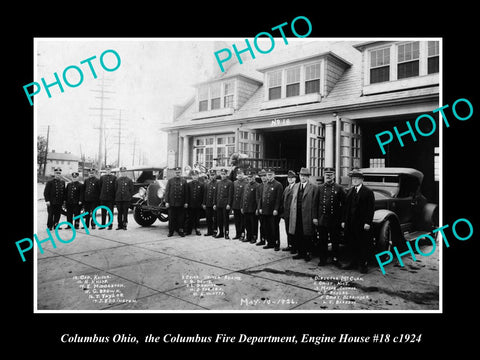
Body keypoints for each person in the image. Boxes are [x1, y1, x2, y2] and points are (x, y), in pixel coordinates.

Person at [341, 168, 375, 273]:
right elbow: (346, 208)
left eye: (357, 178)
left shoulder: (368, 192)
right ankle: (352, 262)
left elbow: (370, 209)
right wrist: (343, 221)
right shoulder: (350, 191)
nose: (354, 180)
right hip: (350, 223)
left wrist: (368, 222)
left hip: (362, 224)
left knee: (362, 244)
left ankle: (363, 265)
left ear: (362, 180)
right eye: (353, 178)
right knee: (351, 243)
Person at [313, 167, 346, 267]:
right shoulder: (320, 187)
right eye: (326, 175)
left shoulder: (339, 188)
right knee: (322, 240)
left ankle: (335, 259)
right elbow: (315, 204)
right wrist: (315, 217)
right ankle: (323, 259)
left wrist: (343, 220)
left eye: (330, 174)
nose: (328, 176)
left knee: (335, 240)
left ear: (334, 176)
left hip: (334, 219)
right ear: (324, 175)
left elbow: (344, 205)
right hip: (322, 219)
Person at [289, 167, 317, 261]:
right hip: (297, 214)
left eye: (305, 176)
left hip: (307, 215)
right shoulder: (296, 186)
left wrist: (314, 217)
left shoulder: (313, 187)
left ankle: (307, 253)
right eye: (301, 175)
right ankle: (300, 253)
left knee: (307, 235)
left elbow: (315, 203)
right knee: (298, 233)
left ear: (308, 177)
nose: (303, 177)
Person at [258, 168, 283, 251]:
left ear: (274, 175)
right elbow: (262, 197)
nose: (269, 176)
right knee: (267, 227)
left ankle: (276, 244)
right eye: (268, 174)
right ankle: (270, 243)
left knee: (274, 228)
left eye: (271, 174)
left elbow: (278, 199)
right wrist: (261, 207)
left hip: (273, 211)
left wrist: (276, 209)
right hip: (265, 210)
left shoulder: (278, 185)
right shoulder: (265, 184)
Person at [164, 167, 187, 237]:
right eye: (176, 172)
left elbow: (186, 193)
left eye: (179, 172)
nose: (177, 174)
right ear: (174, 173)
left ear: (181, 173)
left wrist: (186, 202)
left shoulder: (184, 181)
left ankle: (180, 231)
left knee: (181, 219)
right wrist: (167, 202)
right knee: (171, 219)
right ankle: (171, 232)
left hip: (181, 203)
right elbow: (167, 192)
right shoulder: (170, 181)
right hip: (172, 203)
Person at [213, 168, 233, 239]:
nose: (223, 175)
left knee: (226, 220)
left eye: (224, 174)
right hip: (219, 204)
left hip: (225, 204)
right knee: (219, 219)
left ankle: (226, 234)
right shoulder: (218, 183)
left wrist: (229, 204)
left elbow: (230, 195)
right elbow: (216, 194)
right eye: (222, 174)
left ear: (226, 174)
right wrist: (214, 204)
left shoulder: (229, 182)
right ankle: (221, 233)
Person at [241, 170, 259, 243]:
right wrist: (242, 207)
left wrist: (257, 209)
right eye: (248, 177)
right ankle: (248, 237)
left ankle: (254, 237)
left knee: (254, 225)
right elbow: (243, 197)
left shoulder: (257, 185)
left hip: (253, 209)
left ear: (254, 177)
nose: (250, 178)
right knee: (247, 224)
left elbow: (258, 199)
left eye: (251, 177)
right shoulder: (246, 185)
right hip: (246, 208)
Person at [185, 169, 204, 236]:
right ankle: (188, 231)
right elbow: (187, 194)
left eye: (196, 175)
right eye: (193, 176)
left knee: (197, 218)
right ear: (191, 176)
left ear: (198, 176)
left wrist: (202, 203)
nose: (195, 177)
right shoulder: (189, 184)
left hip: (198, 205)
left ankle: (197, 230)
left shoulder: (201, 185)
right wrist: (186, 203)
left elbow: (202, 195)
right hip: (190, 204)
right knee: (190, 218)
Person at [282, 170, 297, 253]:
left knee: (293, 231)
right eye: (289, 178)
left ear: (295, 179)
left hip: (293, 213)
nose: (290, 179)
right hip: (287, 213)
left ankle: (294, 247)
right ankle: (289, 245)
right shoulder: (287, 188)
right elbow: (283, 200)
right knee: (287, 230)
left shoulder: (296, 187)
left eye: (292, 178)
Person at [98, 165, 116, 230]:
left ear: (111, 170)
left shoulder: (114, 177)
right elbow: (100, 187)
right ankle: (103, 225)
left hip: (111, 198)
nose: (108, 170)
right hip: (103, 198)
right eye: (107, 169)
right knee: (103, 212)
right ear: (105, 170)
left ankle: (110, 225)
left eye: (109, 169)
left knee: (110, 212)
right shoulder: (102, 177)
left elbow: (115, 188)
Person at [232, 168, 247, 240]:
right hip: (235, 205)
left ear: (243, 174)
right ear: (236, 175)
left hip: (242, 205)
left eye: (241, 173)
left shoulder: (246, 182)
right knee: (236, 221)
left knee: (242, 221)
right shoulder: (234, 183)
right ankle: (237, 234)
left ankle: (242, 234)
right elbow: (233, 194)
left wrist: (243, 206)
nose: (239, 175)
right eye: (238, 174)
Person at [202, 169, 218, 237]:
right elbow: (205, 194)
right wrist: (204, 203)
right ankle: (209, 231)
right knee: (208, 218)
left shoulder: (218, 184)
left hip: (214, 204)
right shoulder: (207, 184)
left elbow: (218, 195)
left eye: (213, 175)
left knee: (215, 219)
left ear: (216, 175)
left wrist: (216, 204)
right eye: (211, 175)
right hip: (208, 204)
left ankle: (215, 231)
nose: (212, 176)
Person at [255, 169, 267, 246]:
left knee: (269, 226)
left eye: (264, 176)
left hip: (268, 210)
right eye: (261, 176)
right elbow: (258, 198)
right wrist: (258, 208)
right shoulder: (259, 186)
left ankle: (270, 241)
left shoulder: (269, 184)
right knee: (262, 225)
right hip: (261, 210)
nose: (263, 178)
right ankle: (262, 240)